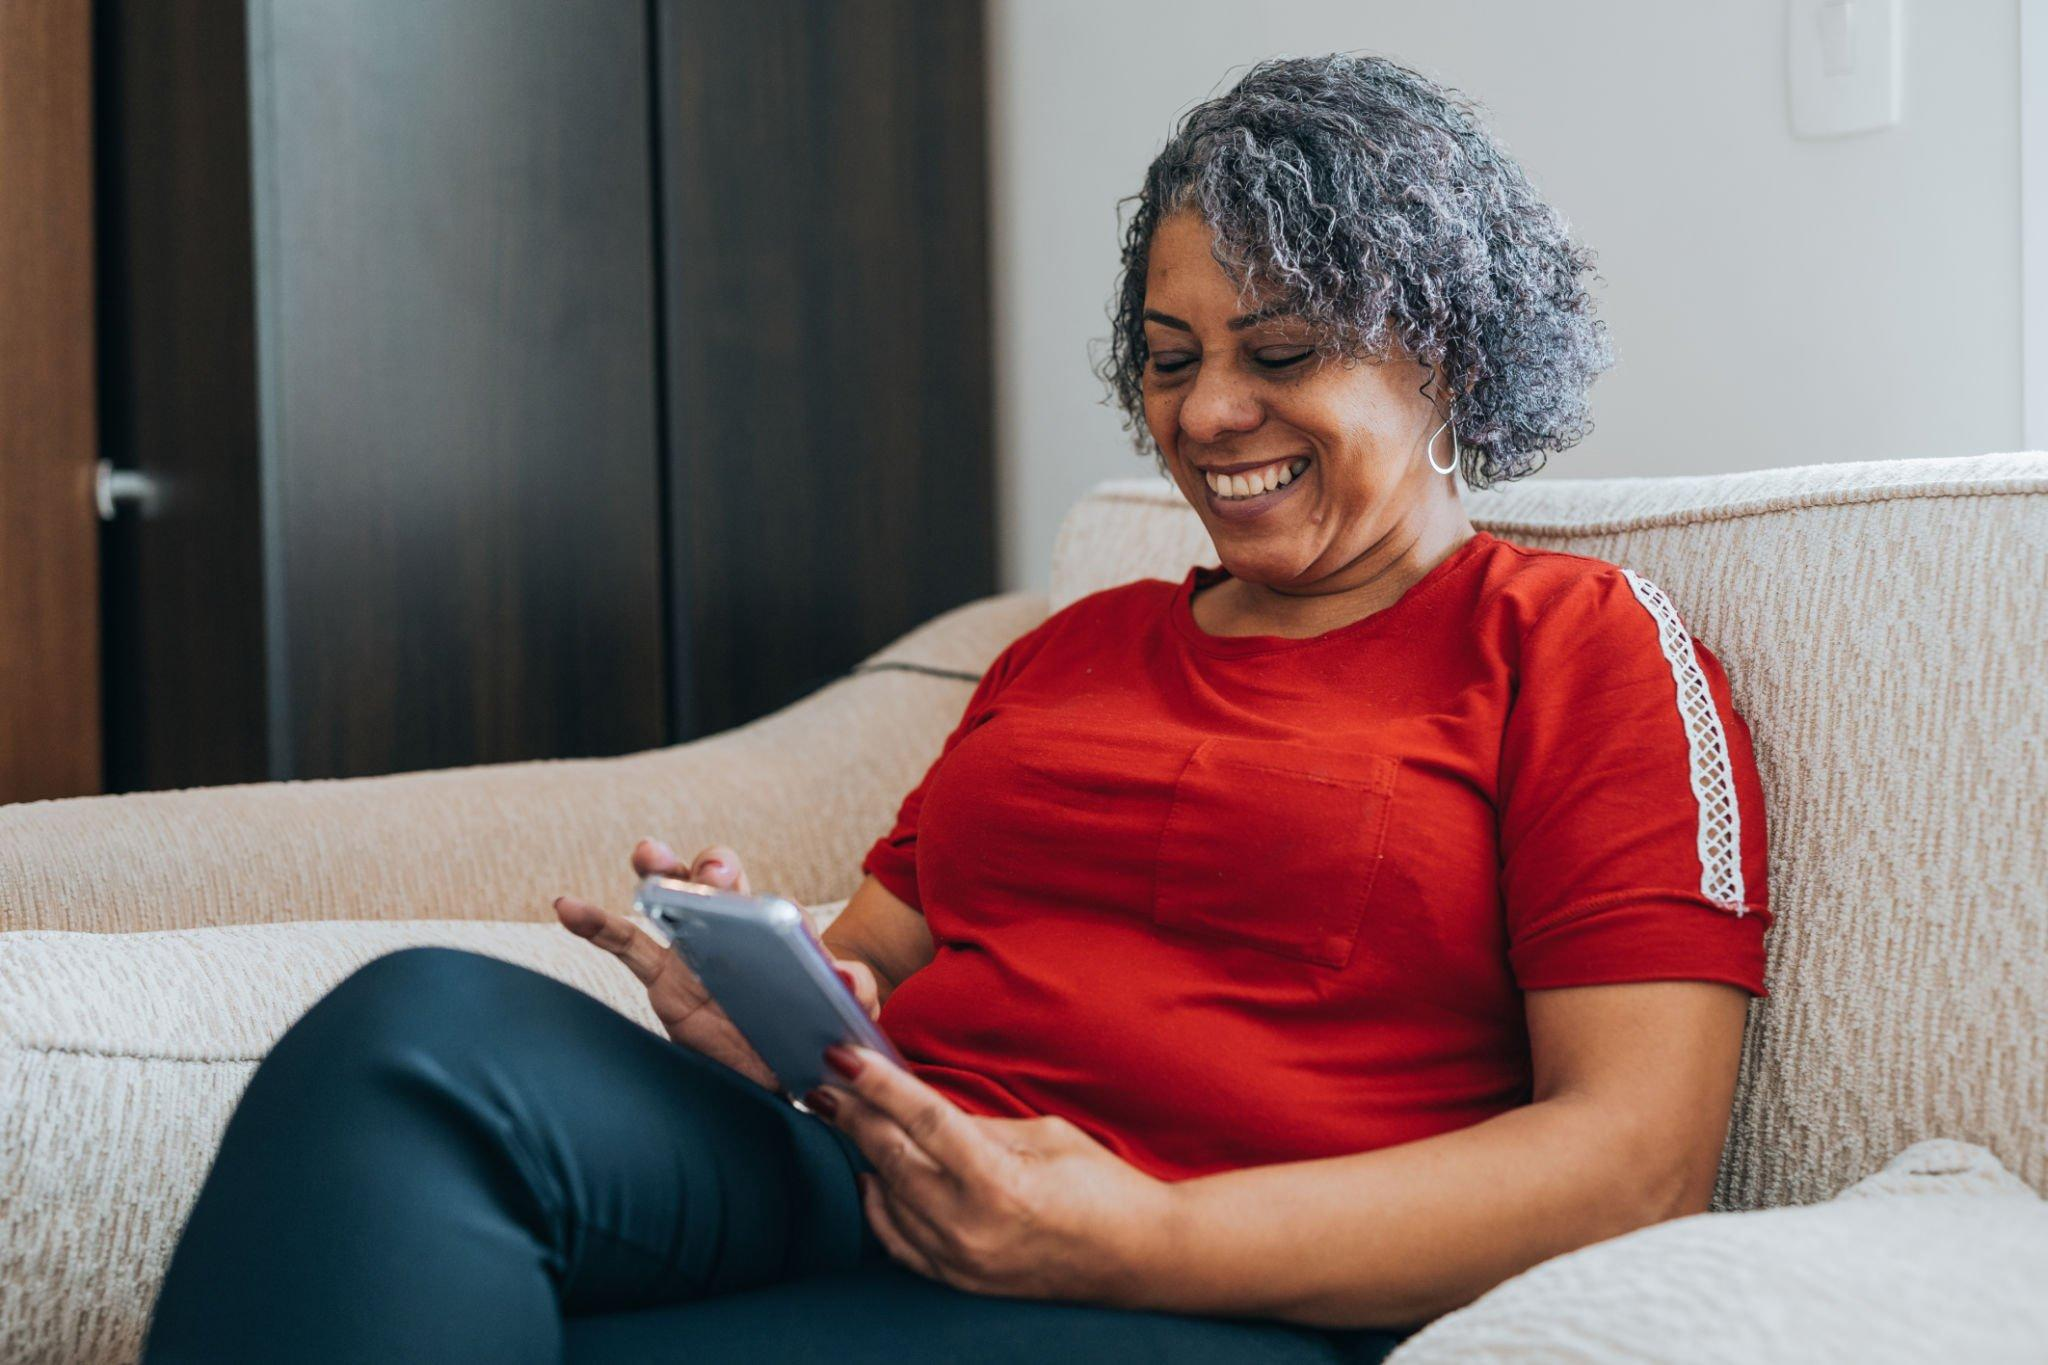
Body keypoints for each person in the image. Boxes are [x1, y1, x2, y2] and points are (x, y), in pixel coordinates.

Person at [144, 52, 1771, 1363]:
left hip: (1213, 1273)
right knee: (416, 1034)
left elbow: (1637, 1163)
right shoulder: (1073, 651)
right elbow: (873, 969)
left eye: (1280, 352)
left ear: (1453, 359)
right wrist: (770, 1016)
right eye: (1168, 353)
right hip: (876, 1173)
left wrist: (1138, 1236)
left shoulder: (1577, 646)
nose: (1207, 413)